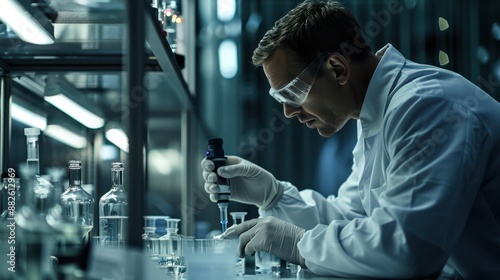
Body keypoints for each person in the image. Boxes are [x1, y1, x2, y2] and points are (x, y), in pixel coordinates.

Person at [201, 0, 500, 278]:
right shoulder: (377, 112)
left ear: (337, 68)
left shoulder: (427, 106)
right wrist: (274, 195)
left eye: (292, 93)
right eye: (279, 98)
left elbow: (408, 248)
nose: (288, 112)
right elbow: (351, 215)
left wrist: (300, 244)